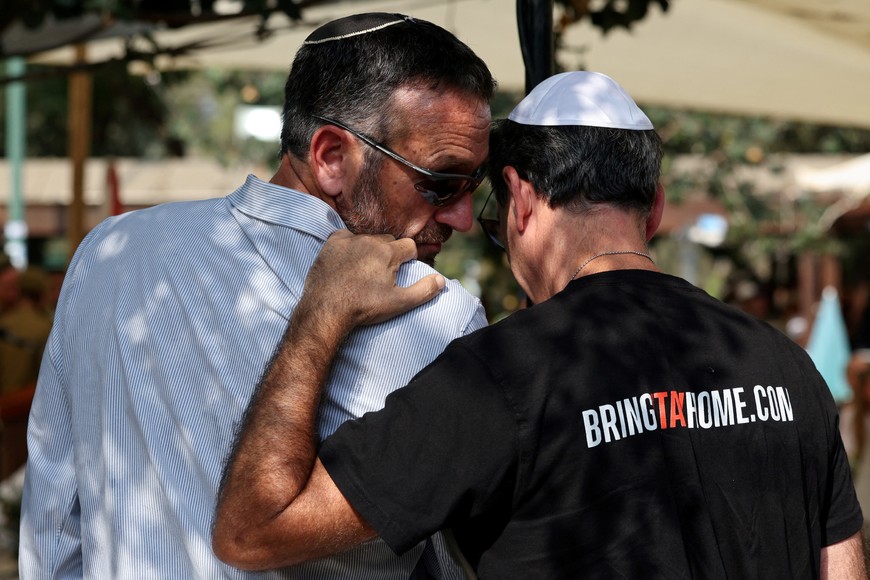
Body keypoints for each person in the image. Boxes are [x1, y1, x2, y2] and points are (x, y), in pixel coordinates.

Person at [213, 71, 867, 579]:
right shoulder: (785, 364)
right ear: (657, 207)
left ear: (521, 201)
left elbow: (253, 529)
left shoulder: (498, 378)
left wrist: (319, 314)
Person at [21, 12, 495, 579]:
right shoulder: (436, 312)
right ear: (331, 157)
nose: (463, 216)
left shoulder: (112, 251)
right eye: (440, 182)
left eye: (476, 185)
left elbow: (54, 517)